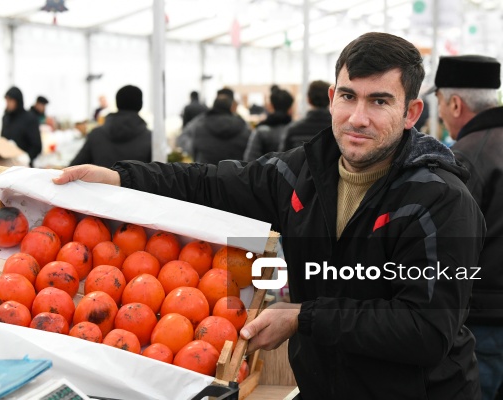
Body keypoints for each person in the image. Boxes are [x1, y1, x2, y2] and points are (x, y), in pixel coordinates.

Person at [53, 32, 485, 399]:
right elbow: (208, 182)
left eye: (379, 102)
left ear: (411, 113)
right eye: (349, 96)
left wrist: (303, 316)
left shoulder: (441, 202)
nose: (358, 118)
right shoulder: (300, 173)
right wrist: (120, 178)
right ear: (332, 98)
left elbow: (425, 330)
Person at [430, 54, 503, 400]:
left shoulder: (467, 157)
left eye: (441, 102)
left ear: (456, 104)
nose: (441, 112)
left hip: (487, 319)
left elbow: (449, 245)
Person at [70, 85, 151, 168]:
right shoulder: (151, 138)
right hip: (136, 181)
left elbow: (72, 169)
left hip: (99, 181)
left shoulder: (96, 135)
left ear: (117, 103)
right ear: (140, 104)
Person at [177, 88, 250, 164]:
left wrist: (196, 151)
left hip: (206, 171)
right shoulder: (242, 125)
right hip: (235, 172)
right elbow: (250, 149)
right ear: (232, 104)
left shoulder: (200, 122)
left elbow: (182, 138)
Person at [243, 88, 294, 161]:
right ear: (290, 108)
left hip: (265, 171)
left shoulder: (261, 132)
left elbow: (250, 161)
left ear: (270, 106)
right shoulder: (295, 130)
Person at [280, 80, 332, 151]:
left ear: (308, 99)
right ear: (330, 99)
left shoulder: (292, 130)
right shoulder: (336, 129)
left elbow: (284, 158)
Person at [1, 86, 41, 167]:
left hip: (24, 166)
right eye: (6, 100)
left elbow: (37, 146)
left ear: (18, 101)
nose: (8, 103)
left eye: (10, 100)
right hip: (7, 164)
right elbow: (2, 139)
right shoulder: (6, 118)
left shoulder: (30, 118)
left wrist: (26, 157)